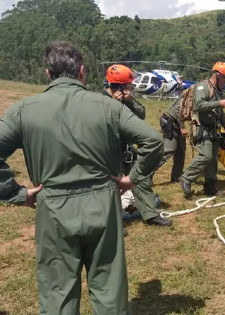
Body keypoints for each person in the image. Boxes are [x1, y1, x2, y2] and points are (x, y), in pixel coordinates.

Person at [0, 41, 163, 313]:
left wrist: (17, 193)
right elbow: (154, 141)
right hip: (103, 204)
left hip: (52, 209)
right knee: (109, 290)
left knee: (58, 294)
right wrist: (131, 179)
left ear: (48, 74)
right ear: (83, 72)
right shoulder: (109, 107)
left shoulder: (23, 110)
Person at [103, 64, 172, 227]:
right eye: (128, 86)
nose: (130, 88)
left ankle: (150, 214)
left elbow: (141, 114)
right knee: (108, 185)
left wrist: (129, 101)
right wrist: (113, 104)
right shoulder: (99, 100)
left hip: (126, 149)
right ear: (119, 85)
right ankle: (111, 222)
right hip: (109, 150)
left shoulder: (127, 99)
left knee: (141, 177)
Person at [179, 62, 225, 199]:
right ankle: (186, 178)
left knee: (213, 159)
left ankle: (210, 187)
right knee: (206, 156)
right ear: (217, 75)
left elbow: (219, 111)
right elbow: (199, 105)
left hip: (213, 129)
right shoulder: (203, 87)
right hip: (202, 129)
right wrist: (219, 103)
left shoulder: (216, 90)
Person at [157, 96, 187, 183]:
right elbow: (178, 111)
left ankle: (176, 177)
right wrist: (182, 126)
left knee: (181, 151)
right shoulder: (188, 96)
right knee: (169, 149)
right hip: (170, 121)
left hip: (176, 122)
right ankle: (147, 173)